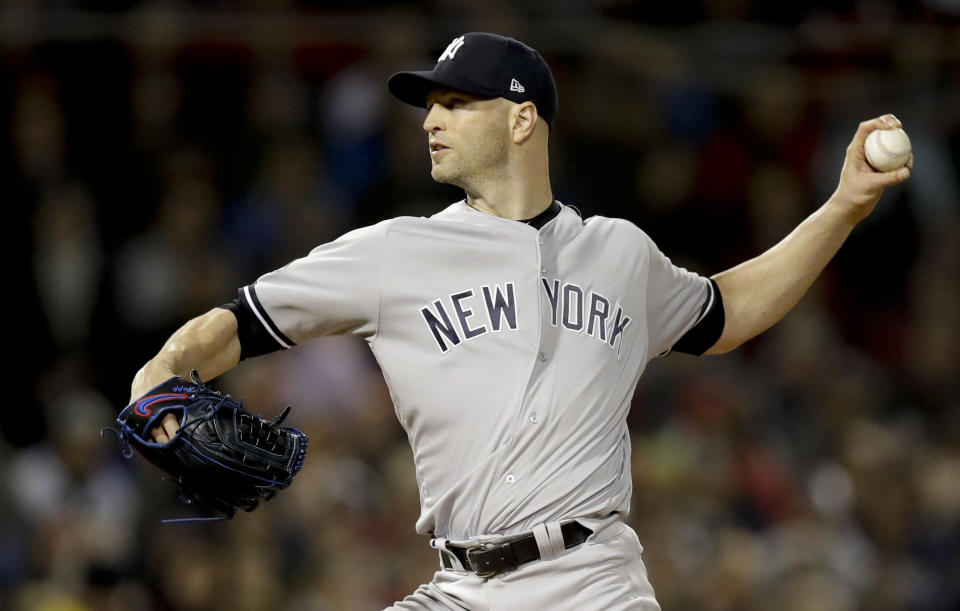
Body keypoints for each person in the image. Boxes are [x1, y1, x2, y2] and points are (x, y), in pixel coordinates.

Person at [130, 32, 912, 610]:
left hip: (596, 580)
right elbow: (235, 325)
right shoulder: (393, 252)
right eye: (429, 103)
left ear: (521, 119)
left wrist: (844, 206)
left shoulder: (619, 253)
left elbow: (730, 309)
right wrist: (157, 374)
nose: (431, 119)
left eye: (455, 102)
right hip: (459, 585)